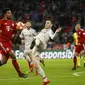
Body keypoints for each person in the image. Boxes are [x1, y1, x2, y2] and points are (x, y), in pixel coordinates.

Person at [30, 20, 61, 85]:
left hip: (42, 44)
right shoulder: (43, 30)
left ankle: (35, 41)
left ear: (51, 25)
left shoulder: (50, 31)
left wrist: (56, 32)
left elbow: (53, 37)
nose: (46, 24)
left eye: (48, 23)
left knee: (38, 39)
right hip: (36, 47)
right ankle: (45, 79)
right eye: (46, 23)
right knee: (36, 65)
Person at [0, 8, 27, 78]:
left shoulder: (13, 23)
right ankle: (20, 73)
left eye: (10, 13)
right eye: (9, 13)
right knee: (13, 55)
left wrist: (19, 31)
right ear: (5, 14)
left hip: (9, 43)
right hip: (2, 42)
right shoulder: (1, 22)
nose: (10, 14)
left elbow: (13, 37)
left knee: (3, 61)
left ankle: (20, 73)